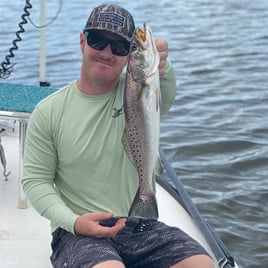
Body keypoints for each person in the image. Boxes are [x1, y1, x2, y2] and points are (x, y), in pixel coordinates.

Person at [22, 3, 214, 268]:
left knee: (202, 264)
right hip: (79, 233)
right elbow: (36, 181)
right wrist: (74, 222)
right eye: (98, 41)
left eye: (121, 47)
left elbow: (164, 95)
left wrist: (163, 66)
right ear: (82, 41)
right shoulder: (49, 111)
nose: (106, 52)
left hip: (140, 225)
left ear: (128, 57)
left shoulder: (137, 90)